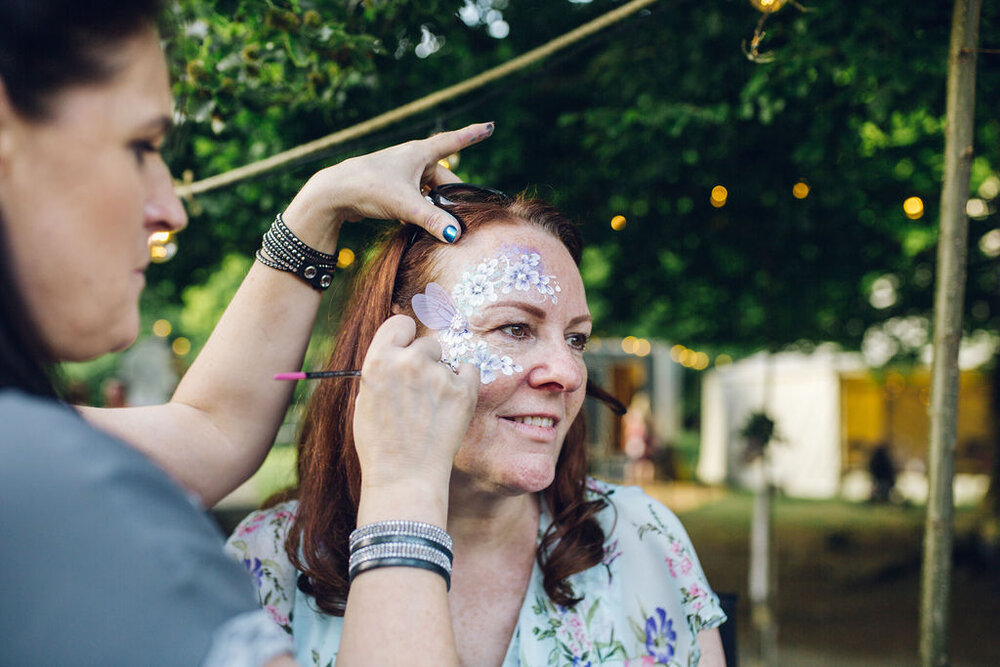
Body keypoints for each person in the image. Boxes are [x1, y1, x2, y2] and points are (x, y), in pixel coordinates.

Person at [0, 1, 486, 663]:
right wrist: (403, 490)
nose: (169, 207)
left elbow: (208, 431)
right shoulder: (55, 484)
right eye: (141, 146)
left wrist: (320, 206)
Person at [227, 186, 729, 665]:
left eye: (576, 339)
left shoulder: (646, 538)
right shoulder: (265, 564)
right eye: (515, 328)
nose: (570, 372)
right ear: (392, 350)